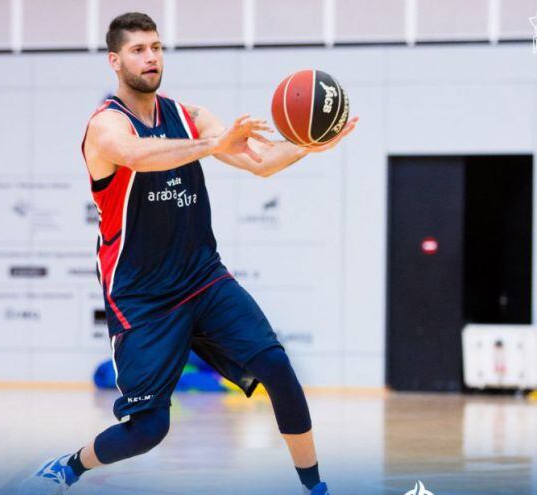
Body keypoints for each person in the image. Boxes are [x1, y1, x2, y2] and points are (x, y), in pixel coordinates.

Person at [21, 11, 358, 495]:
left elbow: (259, 163)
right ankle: (72, 465)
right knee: (149, 430)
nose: (151, 57)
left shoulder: (190, 115)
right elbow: (137, 154)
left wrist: (310, 143)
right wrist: (212, 144)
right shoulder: (105, 127)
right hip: (142, 296)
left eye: (156, 47)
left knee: (278, 368)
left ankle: (315, 488)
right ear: (115, 61)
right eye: (138, 50)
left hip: (203, 277)